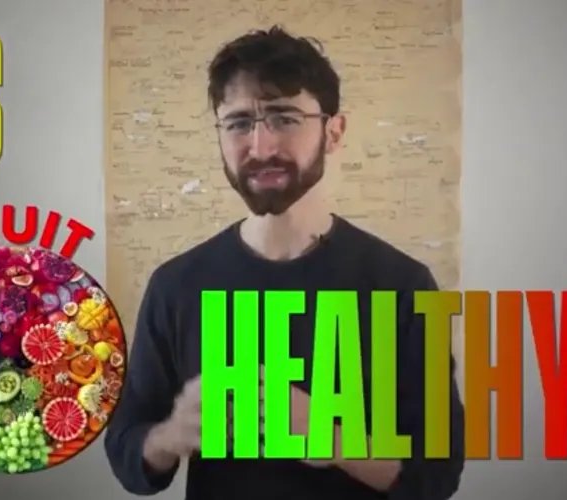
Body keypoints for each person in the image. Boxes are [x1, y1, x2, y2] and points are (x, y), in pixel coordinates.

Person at [104, 25, 465, 499]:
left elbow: (437, 476)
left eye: (285, 117)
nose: (261, 147)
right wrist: (173, 434)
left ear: (333, 132)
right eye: (238, 123)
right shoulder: (176, 285)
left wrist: (334, 441)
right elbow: (127, 455)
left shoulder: (402, 284)